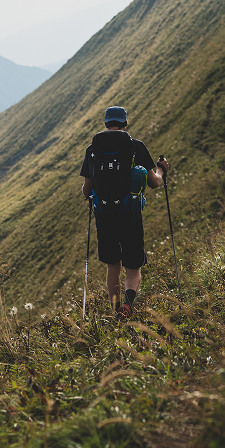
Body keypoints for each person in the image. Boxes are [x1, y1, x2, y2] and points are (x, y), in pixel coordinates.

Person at [80, 105, 169, 316]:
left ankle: (114, 309)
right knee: (133, 266)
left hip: (104, 216)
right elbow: (154, 183)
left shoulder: (92, 150)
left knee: (113, 264)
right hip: (130, 215)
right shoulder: (135, 146)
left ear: (106, 124)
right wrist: (161, 169)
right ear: (125, 123)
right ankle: (127, 305)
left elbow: (86, 190)